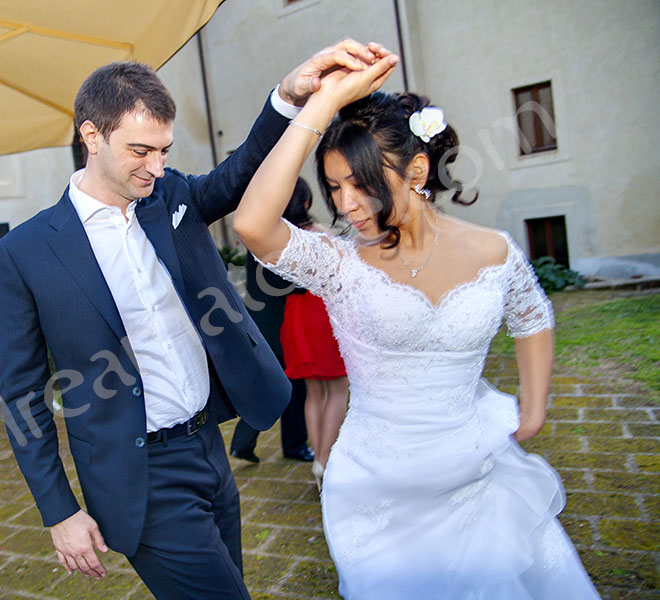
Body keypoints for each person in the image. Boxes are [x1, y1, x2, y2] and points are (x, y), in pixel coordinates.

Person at [0, 40, 381, 599]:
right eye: (140, 151)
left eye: (164, 150)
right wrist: (59, 511)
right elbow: (23, 395)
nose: (157, 166)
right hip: (140, 478)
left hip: (210, 448)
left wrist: (289, 95)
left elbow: (241, 170)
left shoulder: (170, 195)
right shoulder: (26, 251)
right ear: (92, 136)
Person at [233, 44, 600, 598]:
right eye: (335, 186)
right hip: (380, 499)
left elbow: (531, 315)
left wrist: (535, 403)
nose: (347, 202)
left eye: (361, 182)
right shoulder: (338, 262)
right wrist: (322, 105)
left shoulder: (494, 251)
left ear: (418, 170)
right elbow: (254, 223)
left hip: (481, 480)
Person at [228, 192, 315, 465]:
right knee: (292, 387)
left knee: (267, 388)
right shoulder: (278, 237)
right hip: (277, 324)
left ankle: (244, 443)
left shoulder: (263, 231)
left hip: (261, 320)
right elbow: (281, 282)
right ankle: (294, 445)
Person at [275, 177, 349, 488]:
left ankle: (319, 459)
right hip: (321, 312)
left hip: (294, 314)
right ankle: (325, 461)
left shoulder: (280, 236)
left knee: (314, 392)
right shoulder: (319, 235)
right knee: (338, 388)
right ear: (305, 202)